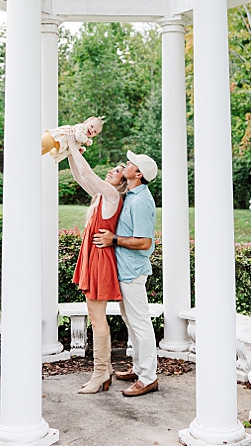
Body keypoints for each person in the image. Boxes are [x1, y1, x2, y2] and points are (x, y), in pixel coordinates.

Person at [93, 150, 159, 397]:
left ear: (138, 174)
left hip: (132, 272)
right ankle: (139, 368)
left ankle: (148, 378)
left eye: (131, 164)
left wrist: (114, 240)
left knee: (140, 324)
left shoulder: (141, 201)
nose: (126, 164)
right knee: (132, 322)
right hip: (125, 271)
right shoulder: (131, 195)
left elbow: (145, 242)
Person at [64, 135, 127, 394]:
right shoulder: (102, 196)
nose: (113, 170)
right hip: (94, 256)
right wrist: (70, 153)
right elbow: (81, 176)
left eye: (119, 171)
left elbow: (88, 171)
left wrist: (70, 146)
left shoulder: (112, 194)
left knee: (96, 317)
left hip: (100, 260)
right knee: (95, 316)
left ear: (123, 182)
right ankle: (106, 370)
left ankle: (100, 373)